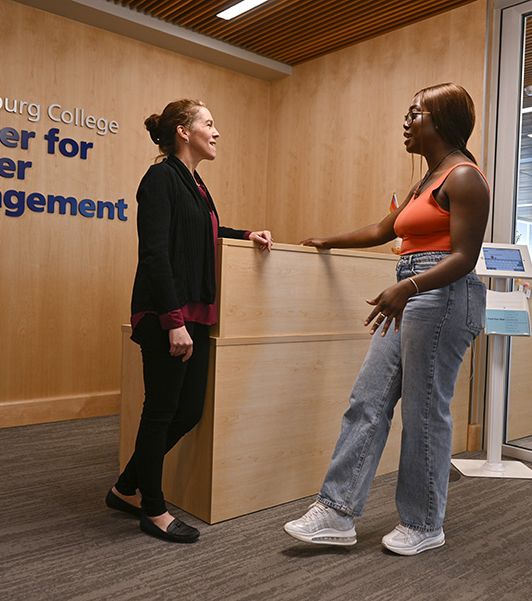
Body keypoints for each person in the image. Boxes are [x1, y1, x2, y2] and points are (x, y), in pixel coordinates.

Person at [284, 83, 488, 556]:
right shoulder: (425, 180)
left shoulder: (464, 178)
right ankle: (336, 512)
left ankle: (423, 523)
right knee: (367, 400)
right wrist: (326, 241)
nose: (406, 121)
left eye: (415, 113)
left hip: (441, 295)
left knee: (422, 413)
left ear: (441, 122)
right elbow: (384, 229)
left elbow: (464, 256)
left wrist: (408, 287)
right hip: (410, 291)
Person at [106, 99, 273, 543]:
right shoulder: (160, 178)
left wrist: (244, 235)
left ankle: (126, 487)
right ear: (183, 131)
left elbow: (205, 232)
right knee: (162, 410)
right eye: (209, 123)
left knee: (188, 410)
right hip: (167, 316)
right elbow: (155, 253)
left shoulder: (195, 183)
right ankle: (153, 509)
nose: (216, 132)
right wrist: (173, 321)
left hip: (194, 315)